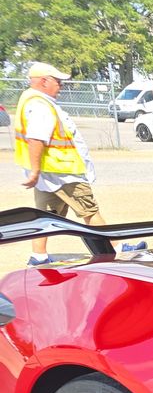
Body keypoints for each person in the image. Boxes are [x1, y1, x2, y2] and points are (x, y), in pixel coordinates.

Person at [13, 61, 107, 266]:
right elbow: (36, 138)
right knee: (89, 211)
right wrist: (36, 170)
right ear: (44, 81)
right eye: (58, 81)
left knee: (45, 216)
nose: (61, 86)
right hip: (63, 172)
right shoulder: (40, 105)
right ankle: (114, 248)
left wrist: (36, 171)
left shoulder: (31, 100)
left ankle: (38, 256)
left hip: (49, 173)